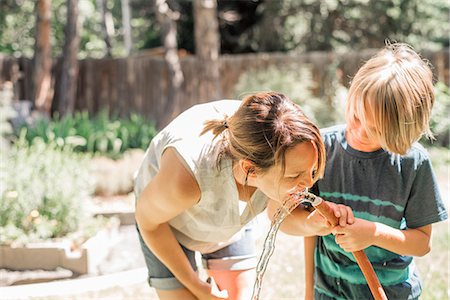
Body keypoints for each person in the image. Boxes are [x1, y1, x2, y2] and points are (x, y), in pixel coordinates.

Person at [134, 92, 353, 300]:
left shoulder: (282, 144)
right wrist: (197, 287)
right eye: (296, 176)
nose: (308, 184)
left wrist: (311, 224)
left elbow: (279, 215)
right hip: (166, 228)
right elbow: (149, 224)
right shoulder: (186, 179)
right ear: (250, 170)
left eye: (312, 171)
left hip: (226, 224)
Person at [300, 43, 448, 299]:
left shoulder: (413, 163)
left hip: (392, 293)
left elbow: (422, 243)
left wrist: (373, 234)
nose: (359, 130)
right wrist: (308, 291)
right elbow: (307, 232)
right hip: (329, 292)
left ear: (401, 131)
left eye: (375, 130)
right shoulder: (322, 149)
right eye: (356, 116)